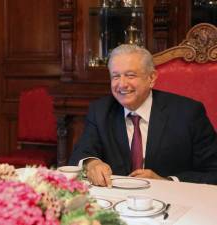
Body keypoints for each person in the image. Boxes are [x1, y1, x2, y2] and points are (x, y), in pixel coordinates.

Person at [69, 44, 217, 187]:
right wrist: (91, 163)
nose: (121, 84)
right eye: (115, 76)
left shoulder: (188, 113)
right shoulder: (100, 110)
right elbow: (81, 152)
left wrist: (166, 181)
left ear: (151, 78)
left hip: (172, 201)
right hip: (116, 201)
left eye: (130, 75)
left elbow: (213, 171)